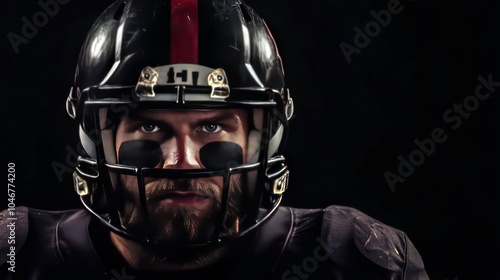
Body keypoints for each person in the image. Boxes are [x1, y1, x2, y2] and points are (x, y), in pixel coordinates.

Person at [0, 0, 429, 279]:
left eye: (211, 127)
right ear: (97, 139)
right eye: (150, 127)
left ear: (262, 138)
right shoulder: (18, 256)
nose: (182, 161)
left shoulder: (349, 261)